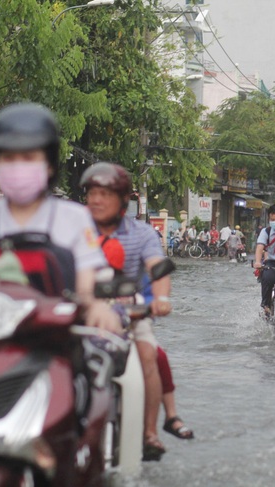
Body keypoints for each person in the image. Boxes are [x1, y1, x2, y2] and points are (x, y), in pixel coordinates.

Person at [0, 102, 119, 333]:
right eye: (9, 158)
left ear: (49, 165)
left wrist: (96, 307)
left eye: (29, 157)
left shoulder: (74, 218)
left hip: (56, 340)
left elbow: (85, 286)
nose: (18, 166)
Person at [81, 161, 174, 461]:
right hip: (79, 311)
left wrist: (160, 299)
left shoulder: (143, 234)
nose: (96, 200)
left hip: (129, 312)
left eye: (104, 194)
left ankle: (149, 433)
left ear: (123, 200)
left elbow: (157, 269)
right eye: (92, 193)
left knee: (148, 355)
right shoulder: (76, 229)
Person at [99, 235, 194, 443]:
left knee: (155, 355)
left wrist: (156, 305)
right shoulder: (82, 275)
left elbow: (151, 295)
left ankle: (166, 418)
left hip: (129, 327)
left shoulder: (135, 279)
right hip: (91, 330)